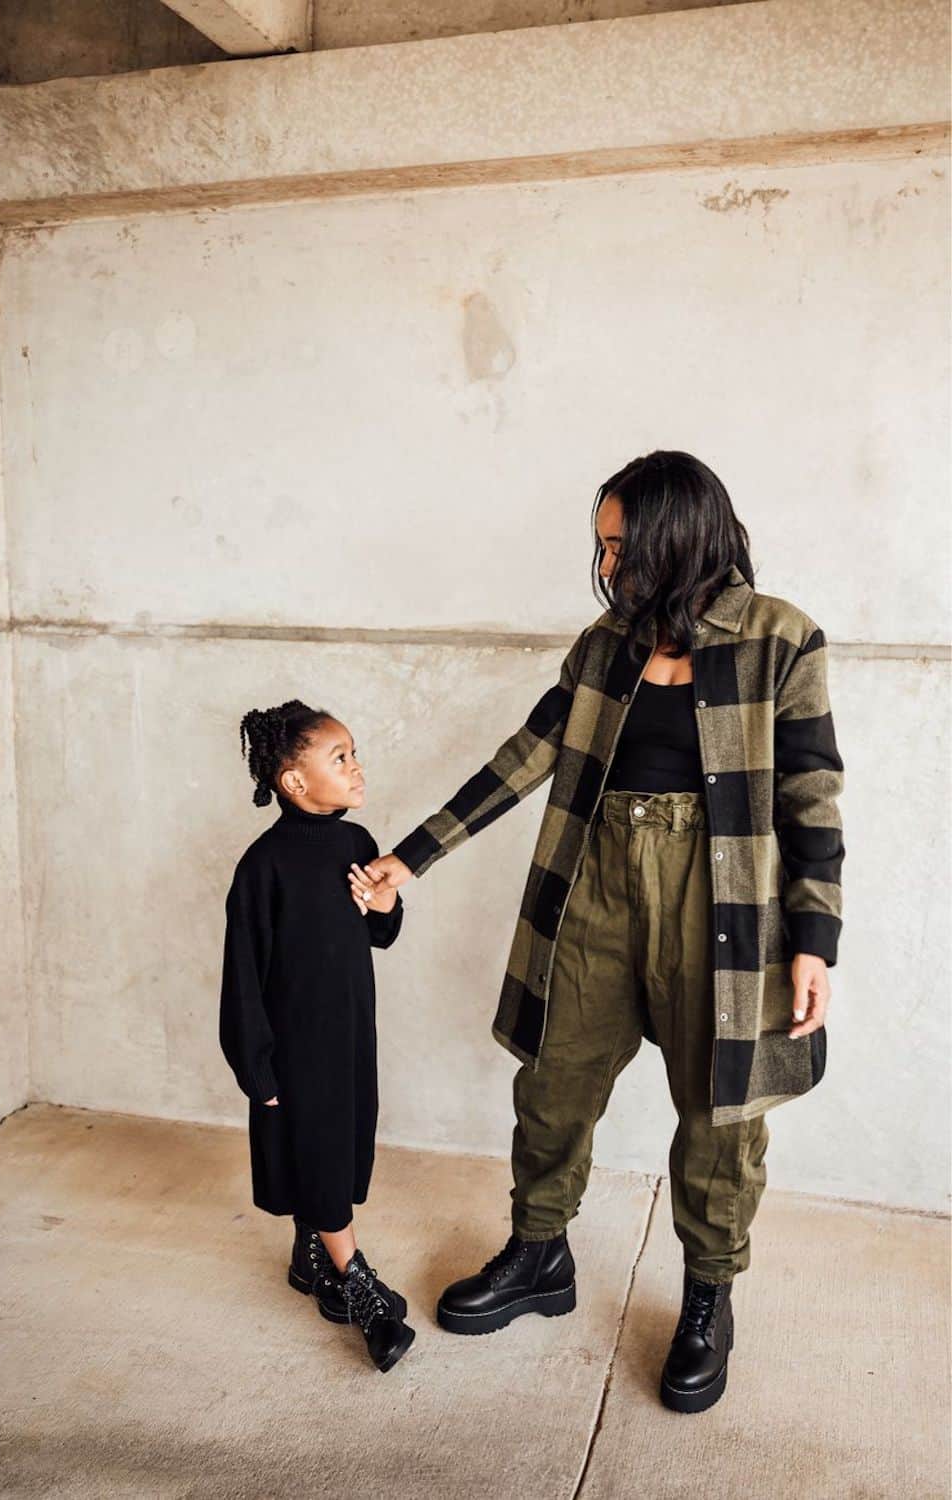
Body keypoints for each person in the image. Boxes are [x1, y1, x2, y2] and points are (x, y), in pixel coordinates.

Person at [355, 450, 844, 1412]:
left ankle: (709, 1295)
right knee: (553, 1082)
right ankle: (541, 1253)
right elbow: (523, 758)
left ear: (674, 534)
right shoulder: (604, 645)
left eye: (621, 544)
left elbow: (810, 797)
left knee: (719, 1115)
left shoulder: (781, 638)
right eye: (604, 546)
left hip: (727, 906)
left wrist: (815, 941)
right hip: (596, 890)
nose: (609, 562)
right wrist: (410, 856)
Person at [219, 698, 415, 1373]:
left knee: (338, 1147)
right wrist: (258, 1070)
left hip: (351, 1034)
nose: (356, 767)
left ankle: (310, 1260)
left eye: (353, 753)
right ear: (294, 782)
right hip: (296, 1048)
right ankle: (357, 1284)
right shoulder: (262, 867)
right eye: (340, 758)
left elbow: (377, 931)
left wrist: (386, 905)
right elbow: (241, 976)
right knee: (323, 1155)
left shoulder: (357, 844)